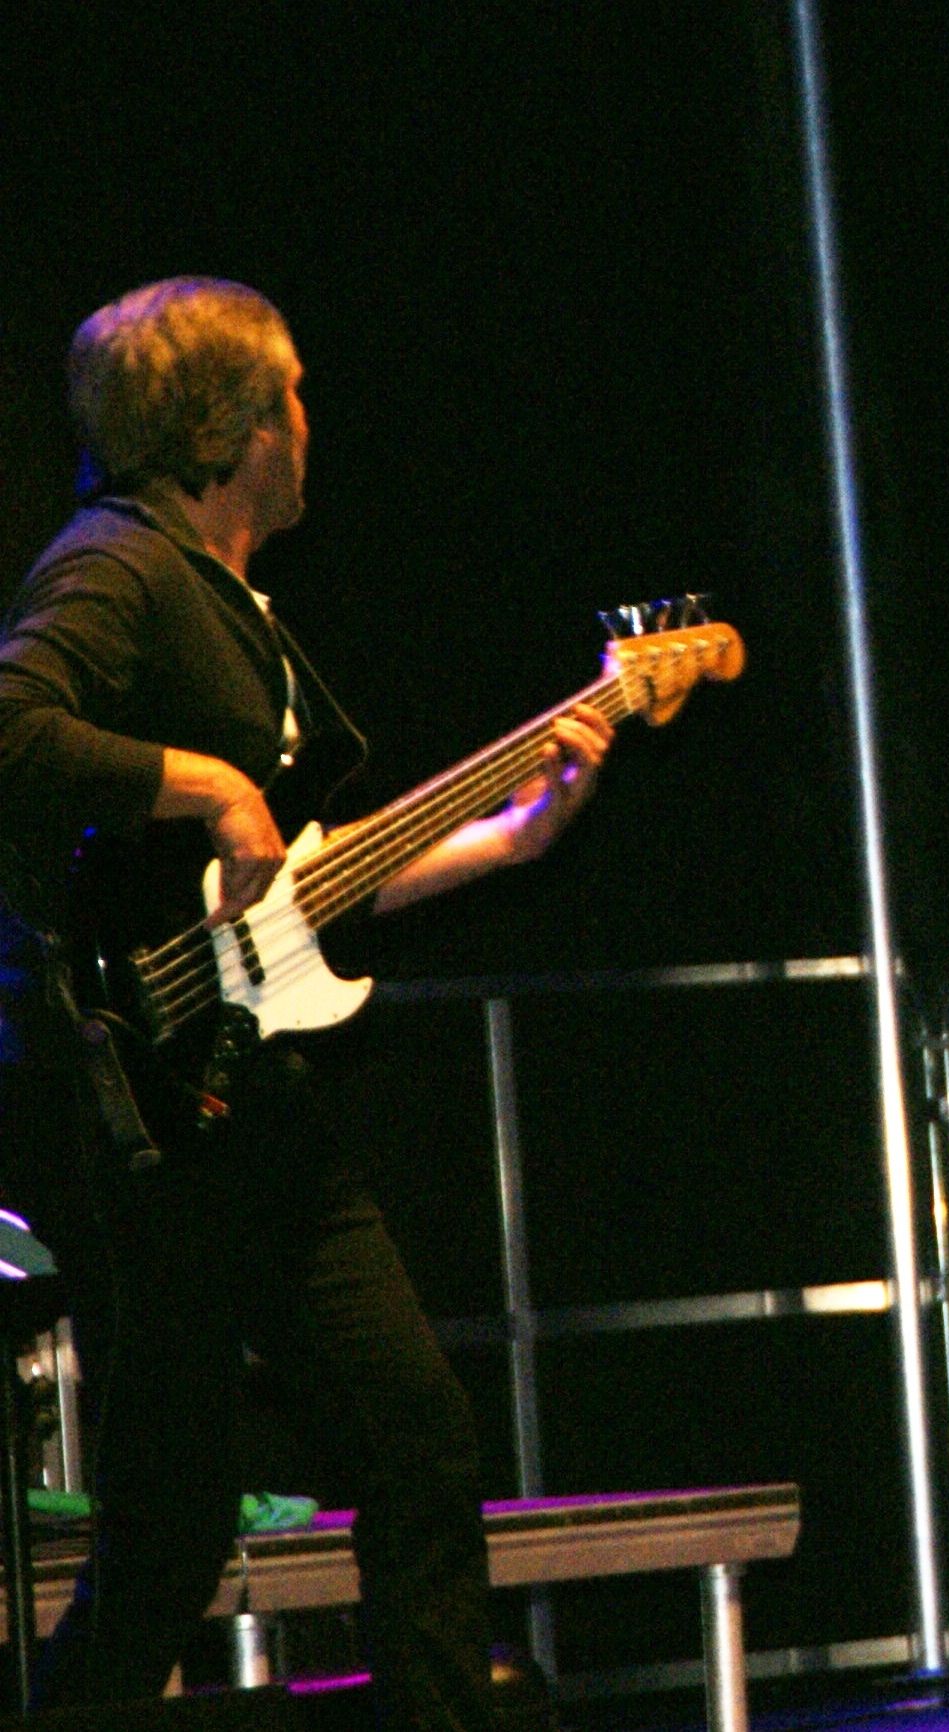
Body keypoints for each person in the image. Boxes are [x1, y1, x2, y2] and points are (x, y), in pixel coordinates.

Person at [0, 277, 612, 1729]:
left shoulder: (224, 603)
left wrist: (510, 838)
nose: (308, 423)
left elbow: (292, 892)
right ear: (230, 425)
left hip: (249, 1100)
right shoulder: (119, 567)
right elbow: (12, 720)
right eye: (292, 395)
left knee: (404, 1448)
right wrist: (211, 785)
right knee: (179, 1524)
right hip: (159, 1116)